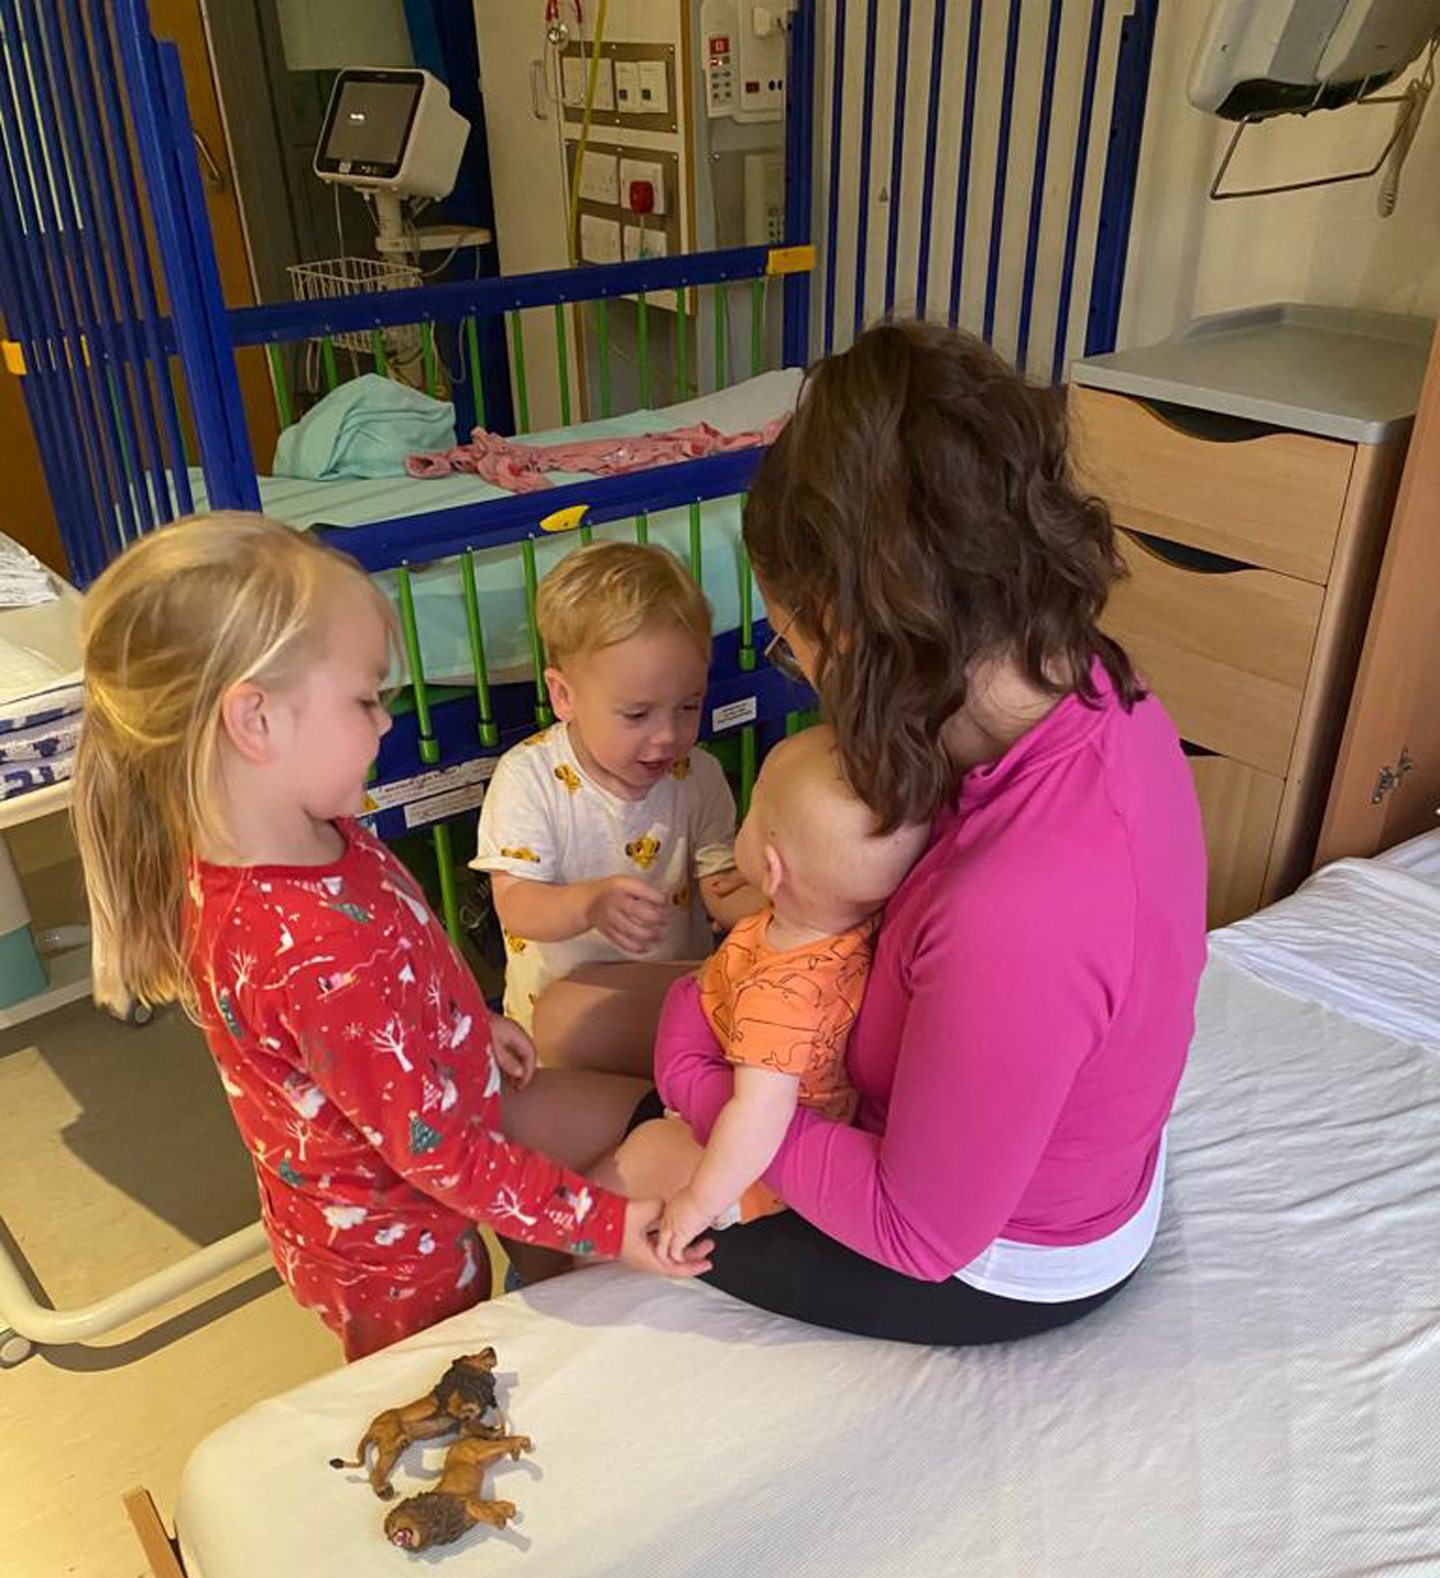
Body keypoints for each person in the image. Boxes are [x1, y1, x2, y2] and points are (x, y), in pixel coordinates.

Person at [647, 320, 1209, 1343]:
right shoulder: (1083, 679)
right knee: (614, 1024)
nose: (797, 669)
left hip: (1004, 1255)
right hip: (1002, 1132)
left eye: (790, 639)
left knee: (635, 1159)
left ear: (856, 628)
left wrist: (696, 1087)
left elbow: (921, 1232)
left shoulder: (1022, 902)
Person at [71, 514, 709, 1362]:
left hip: (423, 1157)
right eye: (366, 699)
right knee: (442, 1395)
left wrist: (461, 1024)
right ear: (256, 722)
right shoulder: (307, 947)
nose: (385, 723)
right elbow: (439, 1155)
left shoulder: (320, 830)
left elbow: (395, 965)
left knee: (637, 1140)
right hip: (396, 1256)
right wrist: (610, 1224)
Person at [605, 722, 925, 1260]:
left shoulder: (781, 997)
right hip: (725, 1056)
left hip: (753, 1171)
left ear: (772, 868)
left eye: (752, 817)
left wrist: (699, 1202)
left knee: (617, 1176)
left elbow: (759, 1117)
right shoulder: (833, 918)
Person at [472, 541, 760, 1073]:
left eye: (688, 706)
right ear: (564, 696)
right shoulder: (529, 778)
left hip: (665, 1013)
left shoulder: (700, 775)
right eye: (637, 715)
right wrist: (588, 905)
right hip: (557, 1040)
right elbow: (516, 905)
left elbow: (720, 883)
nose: (668, 736)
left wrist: (773, 915)